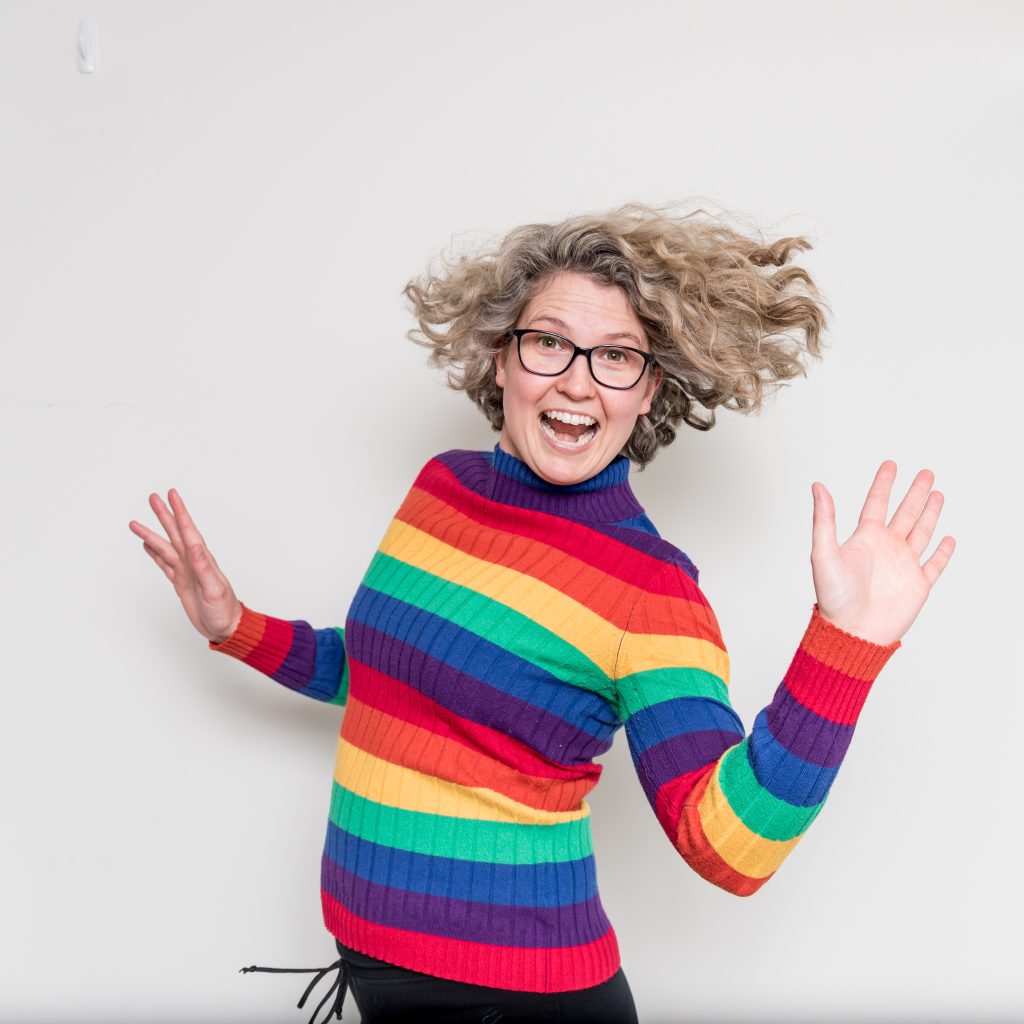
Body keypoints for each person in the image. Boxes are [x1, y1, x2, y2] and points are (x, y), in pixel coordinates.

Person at [128, 202, 955, 1024]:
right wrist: (233, 625)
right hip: (381, 970)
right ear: (501, 360)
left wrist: (844, 649)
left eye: (617, 357)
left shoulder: (650, 589)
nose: (577, 380)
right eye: (550, 342)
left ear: (649, 390)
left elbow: (731, 847)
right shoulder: (439, 488)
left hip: (515, 1004)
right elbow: (380, 670)